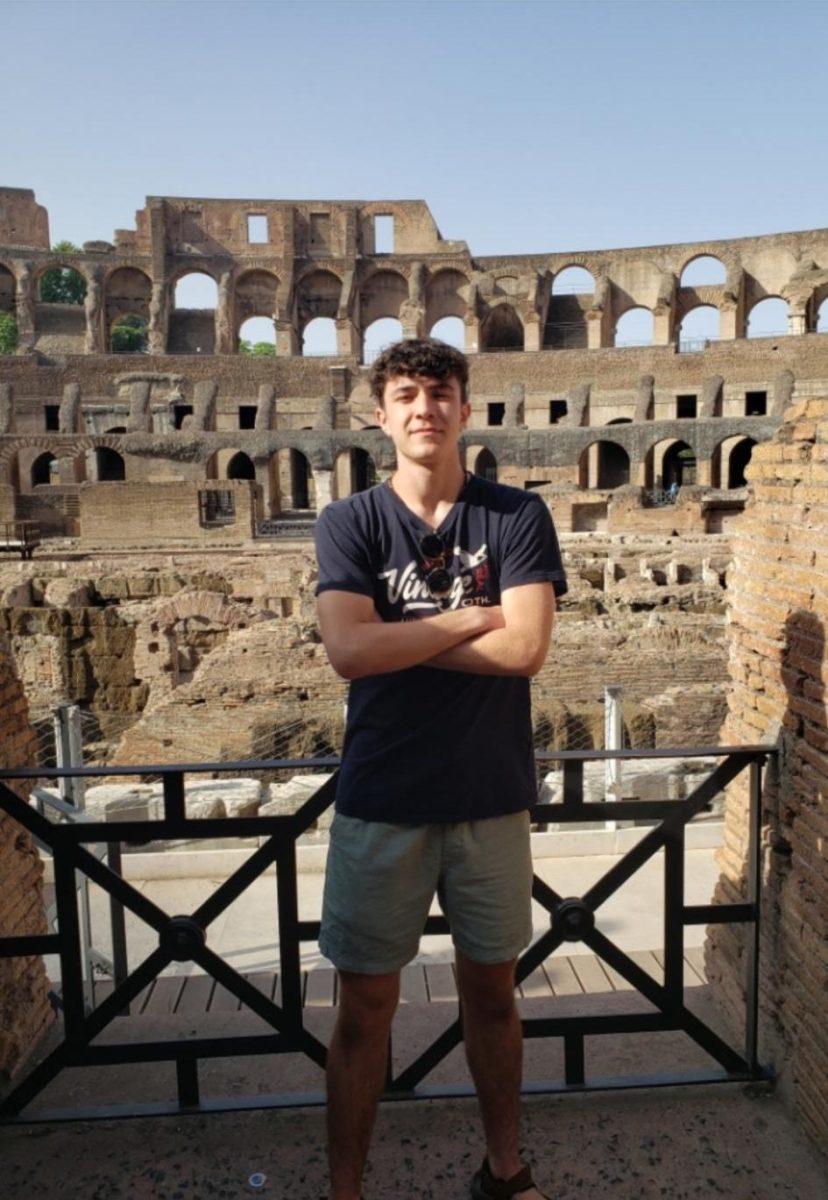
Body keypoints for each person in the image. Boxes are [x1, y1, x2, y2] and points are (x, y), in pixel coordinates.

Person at [314, 338, 567, 1200]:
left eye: (441, 391)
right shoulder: (349, 521)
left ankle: (504, 1170)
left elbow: (528, 647)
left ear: (465, 408)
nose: (425, 407)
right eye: (407, 394)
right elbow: (348, 651)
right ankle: (346, 1188)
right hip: (381, 799)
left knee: (493, 998)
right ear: (380, 415)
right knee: (363, 1013)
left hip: (490, 800)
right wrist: (468, 619)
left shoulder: (516, 516)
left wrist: (400, 641)